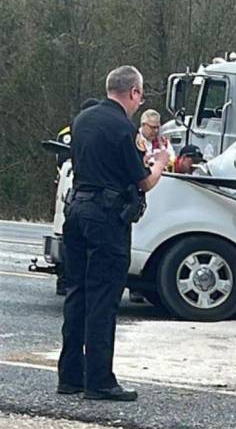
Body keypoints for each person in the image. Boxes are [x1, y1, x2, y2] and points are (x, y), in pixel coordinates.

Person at [57, 65, 167, 402]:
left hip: (75, 212)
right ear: (133, 92)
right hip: (105, 218)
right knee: (104, 297)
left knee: (77, 292)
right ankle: (100, 381)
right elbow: (142, 180)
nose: (140, 101)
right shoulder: (124, 128)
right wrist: (159, 162)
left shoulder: (82, 119)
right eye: (140, 94)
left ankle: (70, 376)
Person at [54, 97, 101, 295]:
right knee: (72, 239)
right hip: (77, 186)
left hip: (75, 189)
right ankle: (65, 278)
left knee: (70, 236)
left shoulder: (76, 127)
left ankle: (67, 279)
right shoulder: (72, 132)